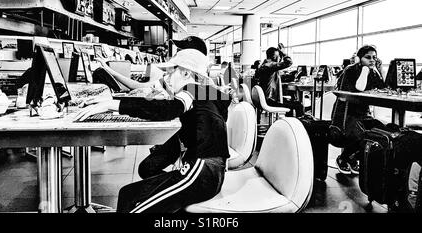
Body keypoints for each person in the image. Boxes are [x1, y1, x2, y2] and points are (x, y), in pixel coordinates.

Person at [74, 48, 230, 213]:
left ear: (185, 74)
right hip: (207, 171)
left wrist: (111, 105)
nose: (166, 79)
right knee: (137, 181)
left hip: (201, 172)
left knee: (133, 205)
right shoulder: (207, 94)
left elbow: (168, 110)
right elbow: (195, 127)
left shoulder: (191, 90)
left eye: (170, 74)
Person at [332, 45, 385, 175]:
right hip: (346, 112)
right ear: (359, 58)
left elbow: (382, 88)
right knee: (361, 134)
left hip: (363, 113)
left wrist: (379, 70)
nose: (372, 60)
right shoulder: (350, 70)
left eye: (374, 58)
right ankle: (344, 158)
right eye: (368, 57)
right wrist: (365, 70)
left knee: (379, 131)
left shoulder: (373, 71)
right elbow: (358, 88)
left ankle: (352, 158)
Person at [254, 46, 304, 117]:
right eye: (278, 56)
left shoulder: (264, 65)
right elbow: (289, 62)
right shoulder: (270, 65)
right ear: (274, 57)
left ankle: (288, 123)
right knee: (298, 105)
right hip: (270, 100)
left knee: (291, 103)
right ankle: (299, 126)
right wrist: (283, 53)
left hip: (264, 98)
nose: (280, 58)